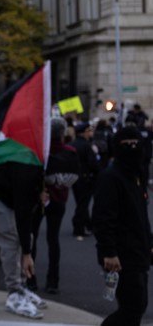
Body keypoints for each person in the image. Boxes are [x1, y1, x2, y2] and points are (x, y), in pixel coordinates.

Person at [92, 126, 153, 326]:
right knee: (132, 308)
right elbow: (102, 218)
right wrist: (108, 252)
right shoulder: (111, 177)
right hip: (120, 255)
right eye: (126, 145)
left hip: (138, 252)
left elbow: (141, 218)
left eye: (135, 144)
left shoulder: (137, 177)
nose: (132, 148)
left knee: (137, 306)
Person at [0, 152, 47, 319]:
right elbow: (23, 213)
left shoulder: (36, 164)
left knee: (24, 238)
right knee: (11, 240)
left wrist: (27, 248)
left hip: (2, 193)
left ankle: (20, 286)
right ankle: (14, 292)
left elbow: (27, 217)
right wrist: (27, 253)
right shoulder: (30, 169)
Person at [28, 117, 79, 294]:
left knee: (32, 238)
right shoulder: (70, 153)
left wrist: (47, 183)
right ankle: (53, 281)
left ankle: (30, 279)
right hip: (59, 199)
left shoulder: (41, 153)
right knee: (53, 239)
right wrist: (58, 183)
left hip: (39, 199)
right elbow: (74, 177)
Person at [70, 122, 99, 239]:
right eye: (89, 131)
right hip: (86, 178)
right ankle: (79, 226)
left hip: (75, 177)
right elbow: (93, 164)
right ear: (84, 132)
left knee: (80, 202)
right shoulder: (87, 146)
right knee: (83, 203)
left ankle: (87, 224)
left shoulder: (72, 145)